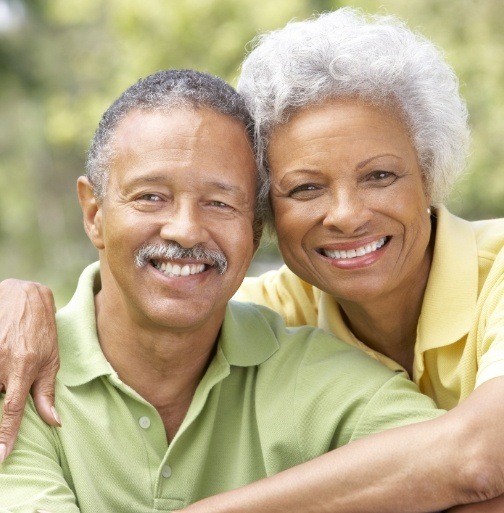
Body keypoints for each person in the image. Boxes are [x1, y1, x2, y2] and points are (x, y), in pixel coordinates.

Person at [1, 7, 504, 513]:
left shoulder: (314, 366)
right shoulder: (270, 311)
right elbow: (168, 295)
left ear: (430, 176)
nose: (347, 216)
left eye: (380, 176)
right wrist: (17, 300)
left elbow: (480, 460)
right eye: (306, 187)